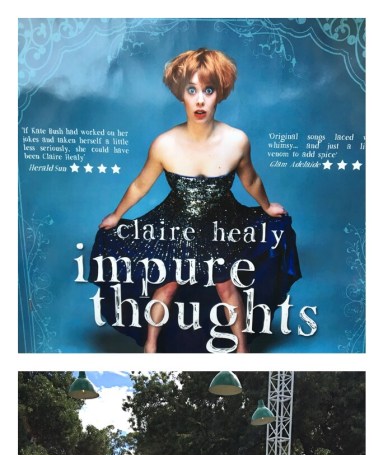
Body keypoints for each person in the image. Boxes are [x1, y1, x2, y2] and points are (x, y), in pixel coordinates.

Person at [91, 47, 299, 353]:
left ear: (220, 93)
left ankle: (242, 350)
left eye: (208, 90)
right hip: (177, 223)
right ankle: (150, 346)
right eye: (192, 90)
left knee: (226, 286)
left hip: (222, 223)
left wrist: (267, 207)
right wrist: (116, 214)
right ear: (181, 94)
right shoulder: (164, 144)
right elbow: (140, 185)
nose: (200, 99)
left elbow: (250, 179)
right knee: (167, 285)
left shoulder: (237, 140)